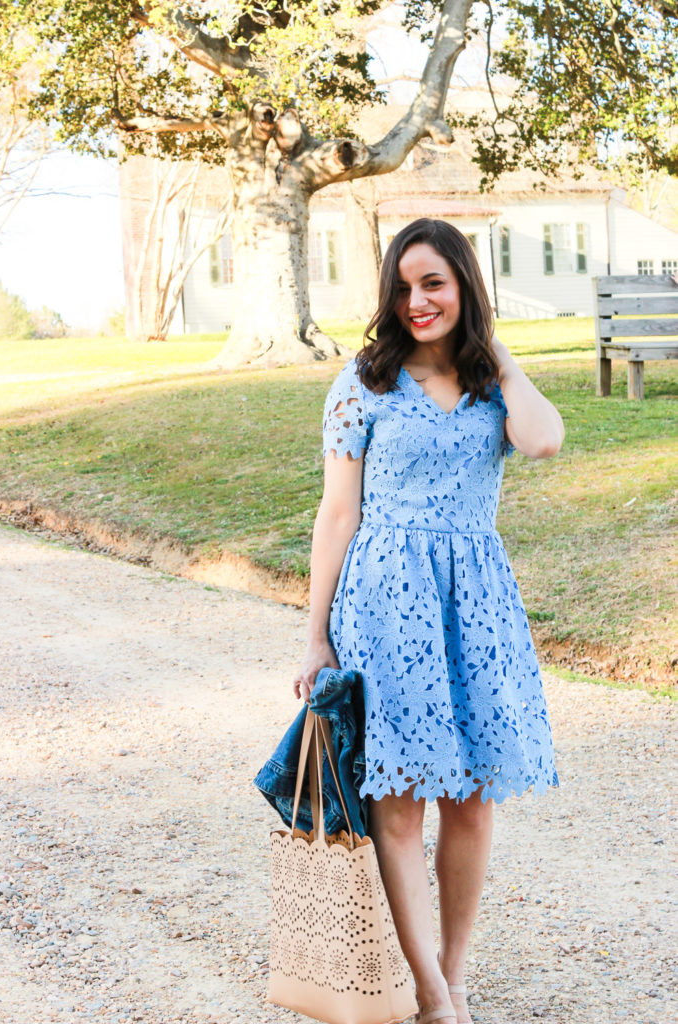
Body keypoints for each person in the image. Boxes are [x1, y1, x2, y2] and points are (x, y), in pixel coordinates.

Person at [292, 218, 564, 1024]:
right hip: (382, 604)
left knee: (474, 799)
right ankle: (432, 994)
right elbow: (335, 516)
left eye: (434, 283)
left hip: (475, 607)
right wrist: (315, 635)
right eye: (404, 287)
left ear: (464, 286)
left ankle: (456, 970)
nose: (416, 301)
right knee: (401, 800)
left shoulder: (492, 384)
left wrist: (498, 350)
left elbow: (543, 442)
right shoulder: (363, 382)